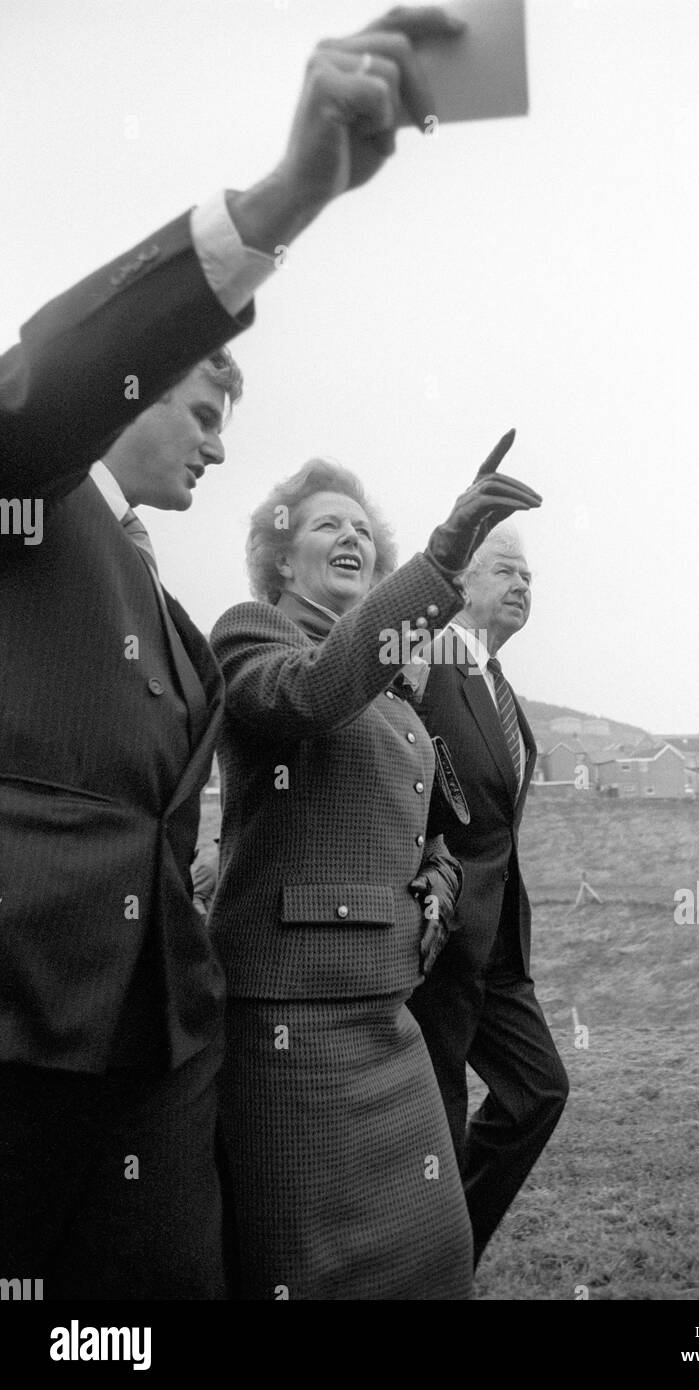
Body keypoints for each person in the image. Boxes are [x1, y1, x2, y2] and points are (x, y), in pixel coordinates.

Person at [0, 6, 465, 1299]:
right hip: (26, 1035)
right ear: (137, 388)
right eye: (201, 402)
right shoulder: (22, 486)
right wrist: (288, 195)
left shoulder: (159, 587)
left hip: (159, 1048)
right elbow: (52, 377)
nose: (216, 438)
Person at [208, 438, 541, 1300]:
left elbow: (418, 820)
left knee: (433, 1260)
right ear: (280, 555)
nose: (354, 536)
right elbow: (312, 693)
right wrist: (442, 558)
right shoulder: (250, 636)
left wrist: (435, 873)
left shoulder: (395, 690)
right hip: (292, 1024)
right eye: (329, 524)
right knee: (309, 1277)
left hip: (388, 1019)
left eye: (365, 527)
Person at [407, 524, 570, 1267]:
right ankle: (424, 1273)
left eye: (530, 576)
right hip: (437, 943)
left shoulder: (499, 686)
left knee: (538, 1092)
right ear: (462, 585)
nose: (524, 585)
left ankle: (448, 1250)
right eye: (506, 569)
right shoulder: (427, 662)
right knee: (437, 1129)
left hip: (499, 946)